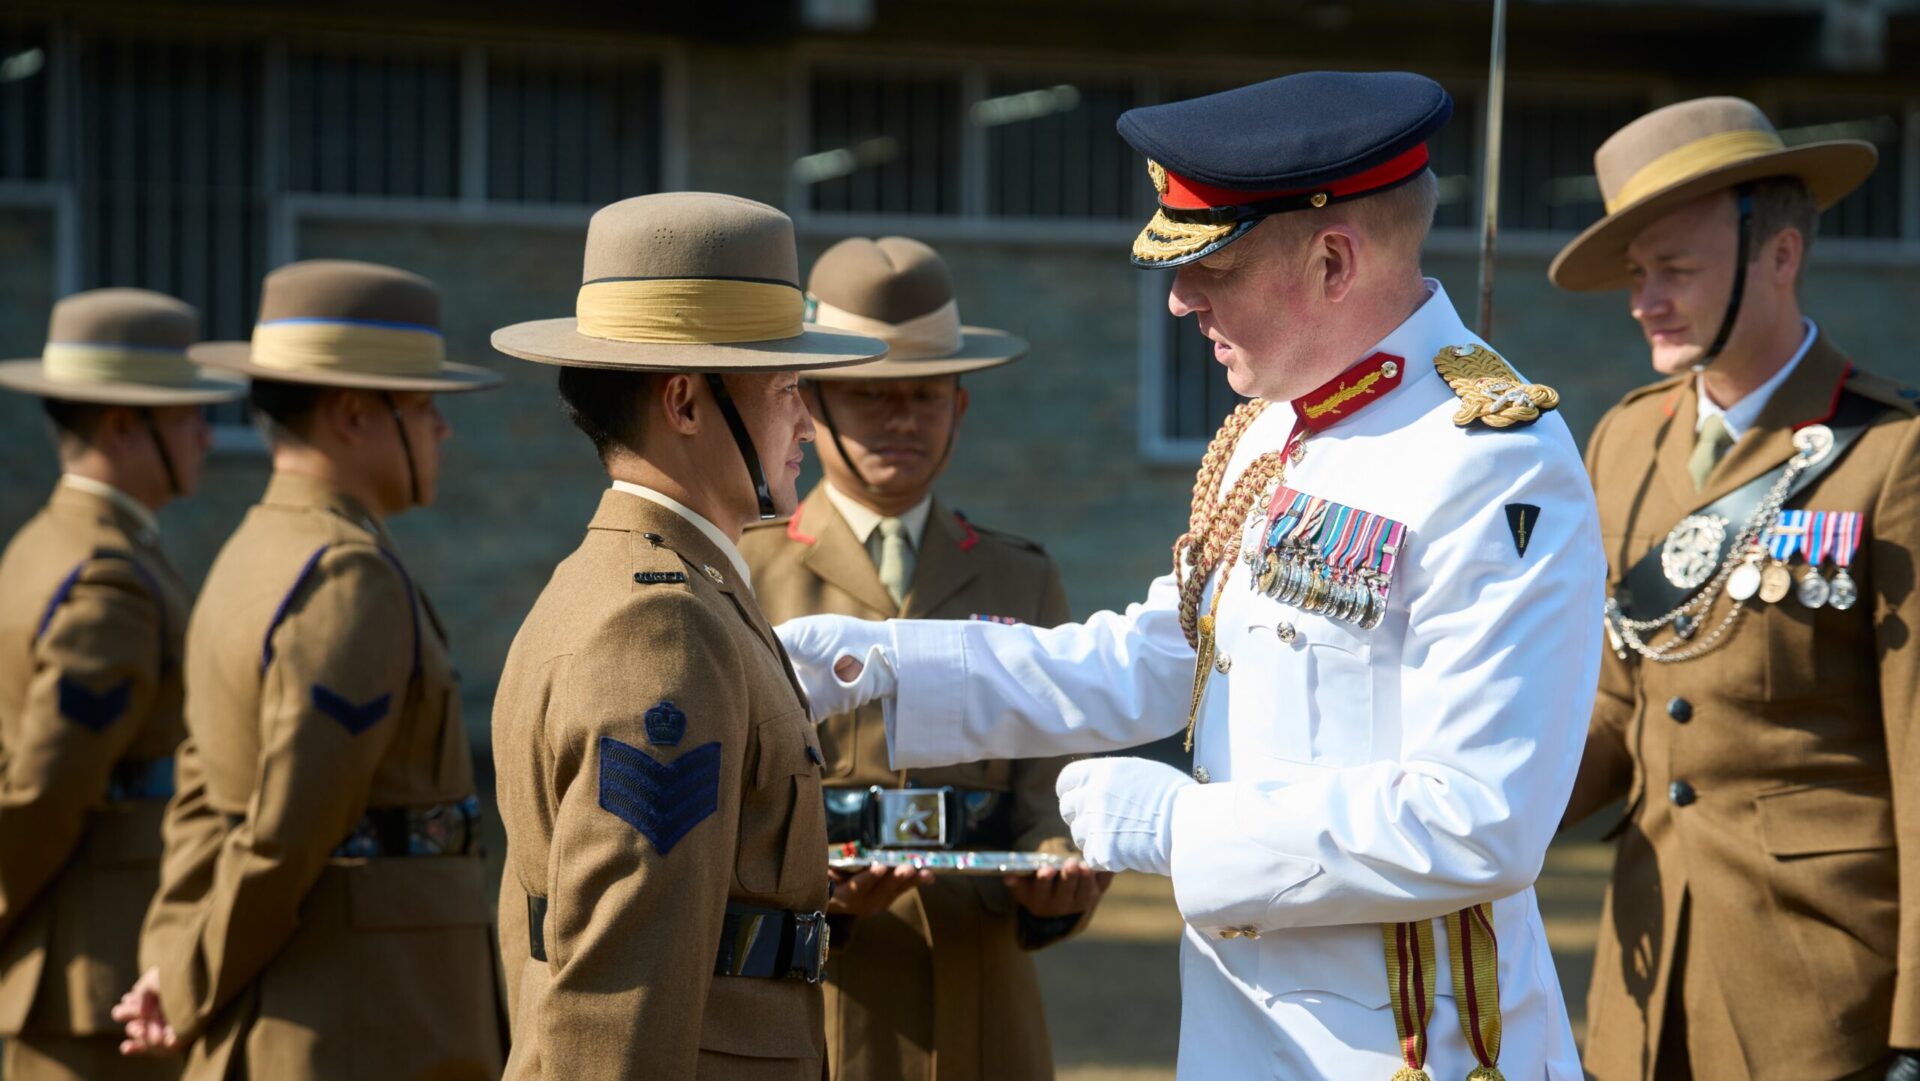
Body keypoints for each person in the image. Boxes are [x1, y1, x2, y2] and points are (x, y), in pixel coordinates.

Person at [777, 71, 1607, 1079]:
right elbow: (1163, 653)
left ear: (1333, 261)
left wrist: (1181, 826)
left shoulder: (1489, 458)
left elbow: (1482, 817)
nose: (1179, 298)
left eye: (1212, 264)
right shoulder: (1275, 426)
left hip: (1407, 1050)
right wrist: (879, 666)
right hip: (1241, 1034)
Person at [1550, 97, 1920, 1081]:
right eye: (1636, 275)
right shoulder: (1625, 438)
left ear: (1779, 255)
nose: (1645, 301)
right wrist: (1487, 800)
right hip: (1643, 990)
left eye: (1675, 268)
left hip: (1822, 995)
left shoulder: (1892, 455)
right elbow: (1616, 697)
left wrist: (1917, 1032)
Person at [487, 192, 887, 1080]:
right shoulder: (660, 625)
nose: (807, 425)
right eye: (786, 389)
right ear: (685, 401)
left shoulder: (619, 582)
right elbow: (618, 988)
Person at [110, 260, 505, 1080]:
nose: (443, 429)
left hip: (322, 1010)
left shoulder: (249, 551)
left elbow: (200, 798)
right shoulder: (344, 574)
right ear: (354, 413)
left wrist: (172, 952)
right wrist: (184, 986)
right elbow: (286, 830)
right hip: (358, 1023)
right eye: (424, 404)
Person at [741, 235, 1108, 1081]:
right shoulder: (747, 571)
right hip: (816, 1003)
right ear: (810, 404)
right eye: (871, 396)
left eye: (926, 394)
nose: (902, 417)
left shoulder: (1020, 573)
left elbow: (1052, 787)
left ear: (960, 407)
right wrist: (812, 887)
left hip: (980, 1004)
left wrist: (1059, 869)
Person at [0, 289, 242, 1081]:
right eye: (185, 415)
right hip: (92, 969)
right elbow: (48, 783)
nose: (206, 433)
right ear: (119, 425)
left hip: (78, 959)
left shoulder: (46, 543)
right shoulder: (109, 576)